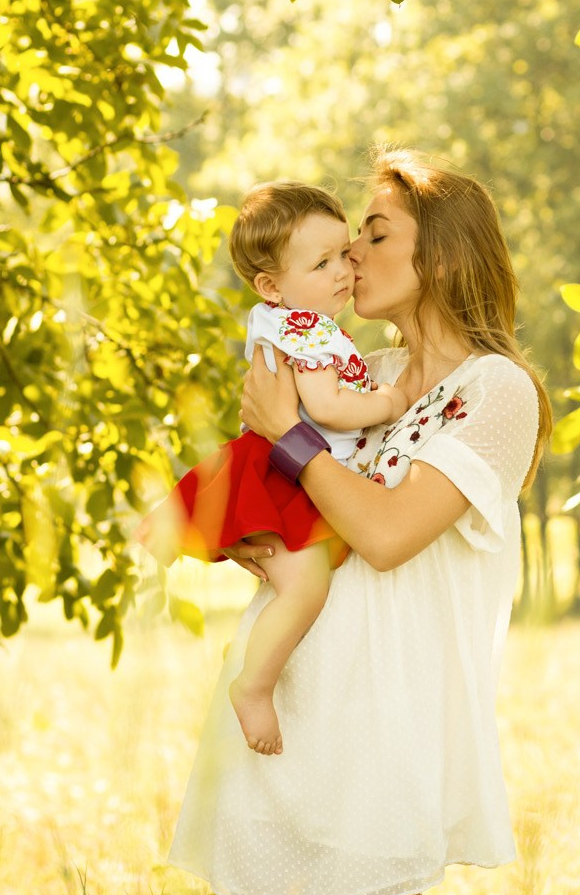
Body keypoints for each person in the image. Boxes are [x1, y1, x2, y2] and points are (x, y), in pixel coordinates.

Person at [164, 149, 552, 895]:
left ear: (443, 249)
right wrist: (254, 528)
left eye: (375, 230)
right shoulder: (353, 374)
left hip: (381, 730)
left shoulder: (494, 391)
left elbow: (382, 533)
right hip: (281, 714)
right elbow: (292, 516)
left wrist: (289, 439)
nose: (351, 252)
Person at [141, 181, 417, 755]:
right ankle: (254, 685)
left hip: (283, 464)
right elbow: (327, 408)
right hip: (283, 472)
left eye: (343, 253)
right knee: (304, 587)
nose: (344, 270)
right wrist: (389, 402)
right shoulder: (304, 330)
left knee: (297, 582)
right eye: (322, 263)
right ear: (272, 285)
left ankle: (253, 665)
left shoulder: (298, 323)